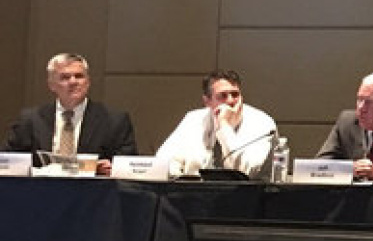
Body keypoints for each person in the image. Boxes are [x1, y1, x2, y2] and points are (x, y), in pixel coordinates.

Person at [3, 53, 137, 174]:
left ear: (88, 82)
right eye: (65, 77)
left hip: (92, 191)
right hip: (42, 190)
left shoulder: (114, 120)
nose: (73, 82)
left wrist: (110, 168)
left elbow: (128, 168)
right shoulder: (30, 120)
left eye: (79, 76)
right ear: (51, 85)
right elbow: (7, 162)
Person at [155, 70, 277, 179]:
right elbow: (162, 162)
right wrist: (179, 177)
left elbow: (246, 172)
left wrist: (224, 126)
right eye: (222, 96)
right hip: (197, 192)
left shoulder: (262, 123)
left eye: (235, 95)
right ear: (207, 101)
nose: (230, 101)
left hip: (248, 194)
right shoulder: (193, 119)